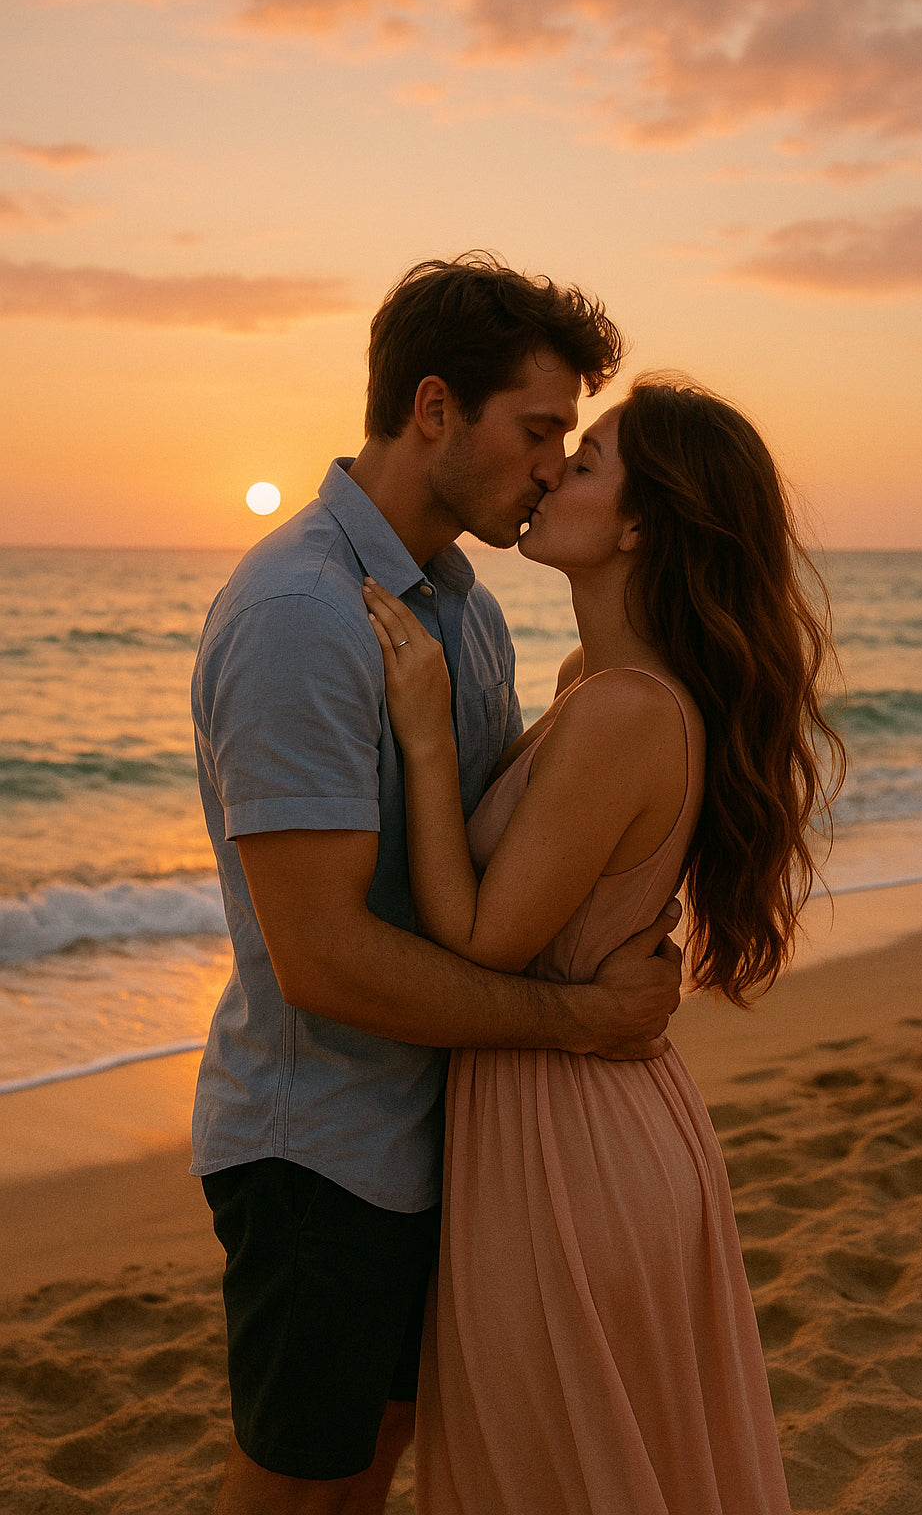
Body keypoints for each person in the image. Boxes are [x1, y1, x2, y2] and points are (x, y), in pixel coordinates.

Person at [190, 256, 686, 1515]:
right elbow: (325, 958)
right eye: (535, 432)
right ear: (431, 410)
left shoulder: (463, 608)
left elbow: (480, 859)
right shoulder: (304, 612)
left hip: (437, 1141)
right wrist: (579, 1022)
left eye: (569, 443)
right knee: (298, 1494)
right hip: (323, 1154)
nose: (548, 467)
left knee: (375, 1471)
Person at [362, 374, 846, 1513]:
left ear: (637, 524)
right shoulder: (596, 685)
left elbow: (483, 936)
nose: (549, 472)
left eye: (584, 464)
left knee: (551, 1473)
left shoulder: (627, 707)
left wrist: (427, 739)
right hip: (583, 1120)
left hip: (567, 1148)